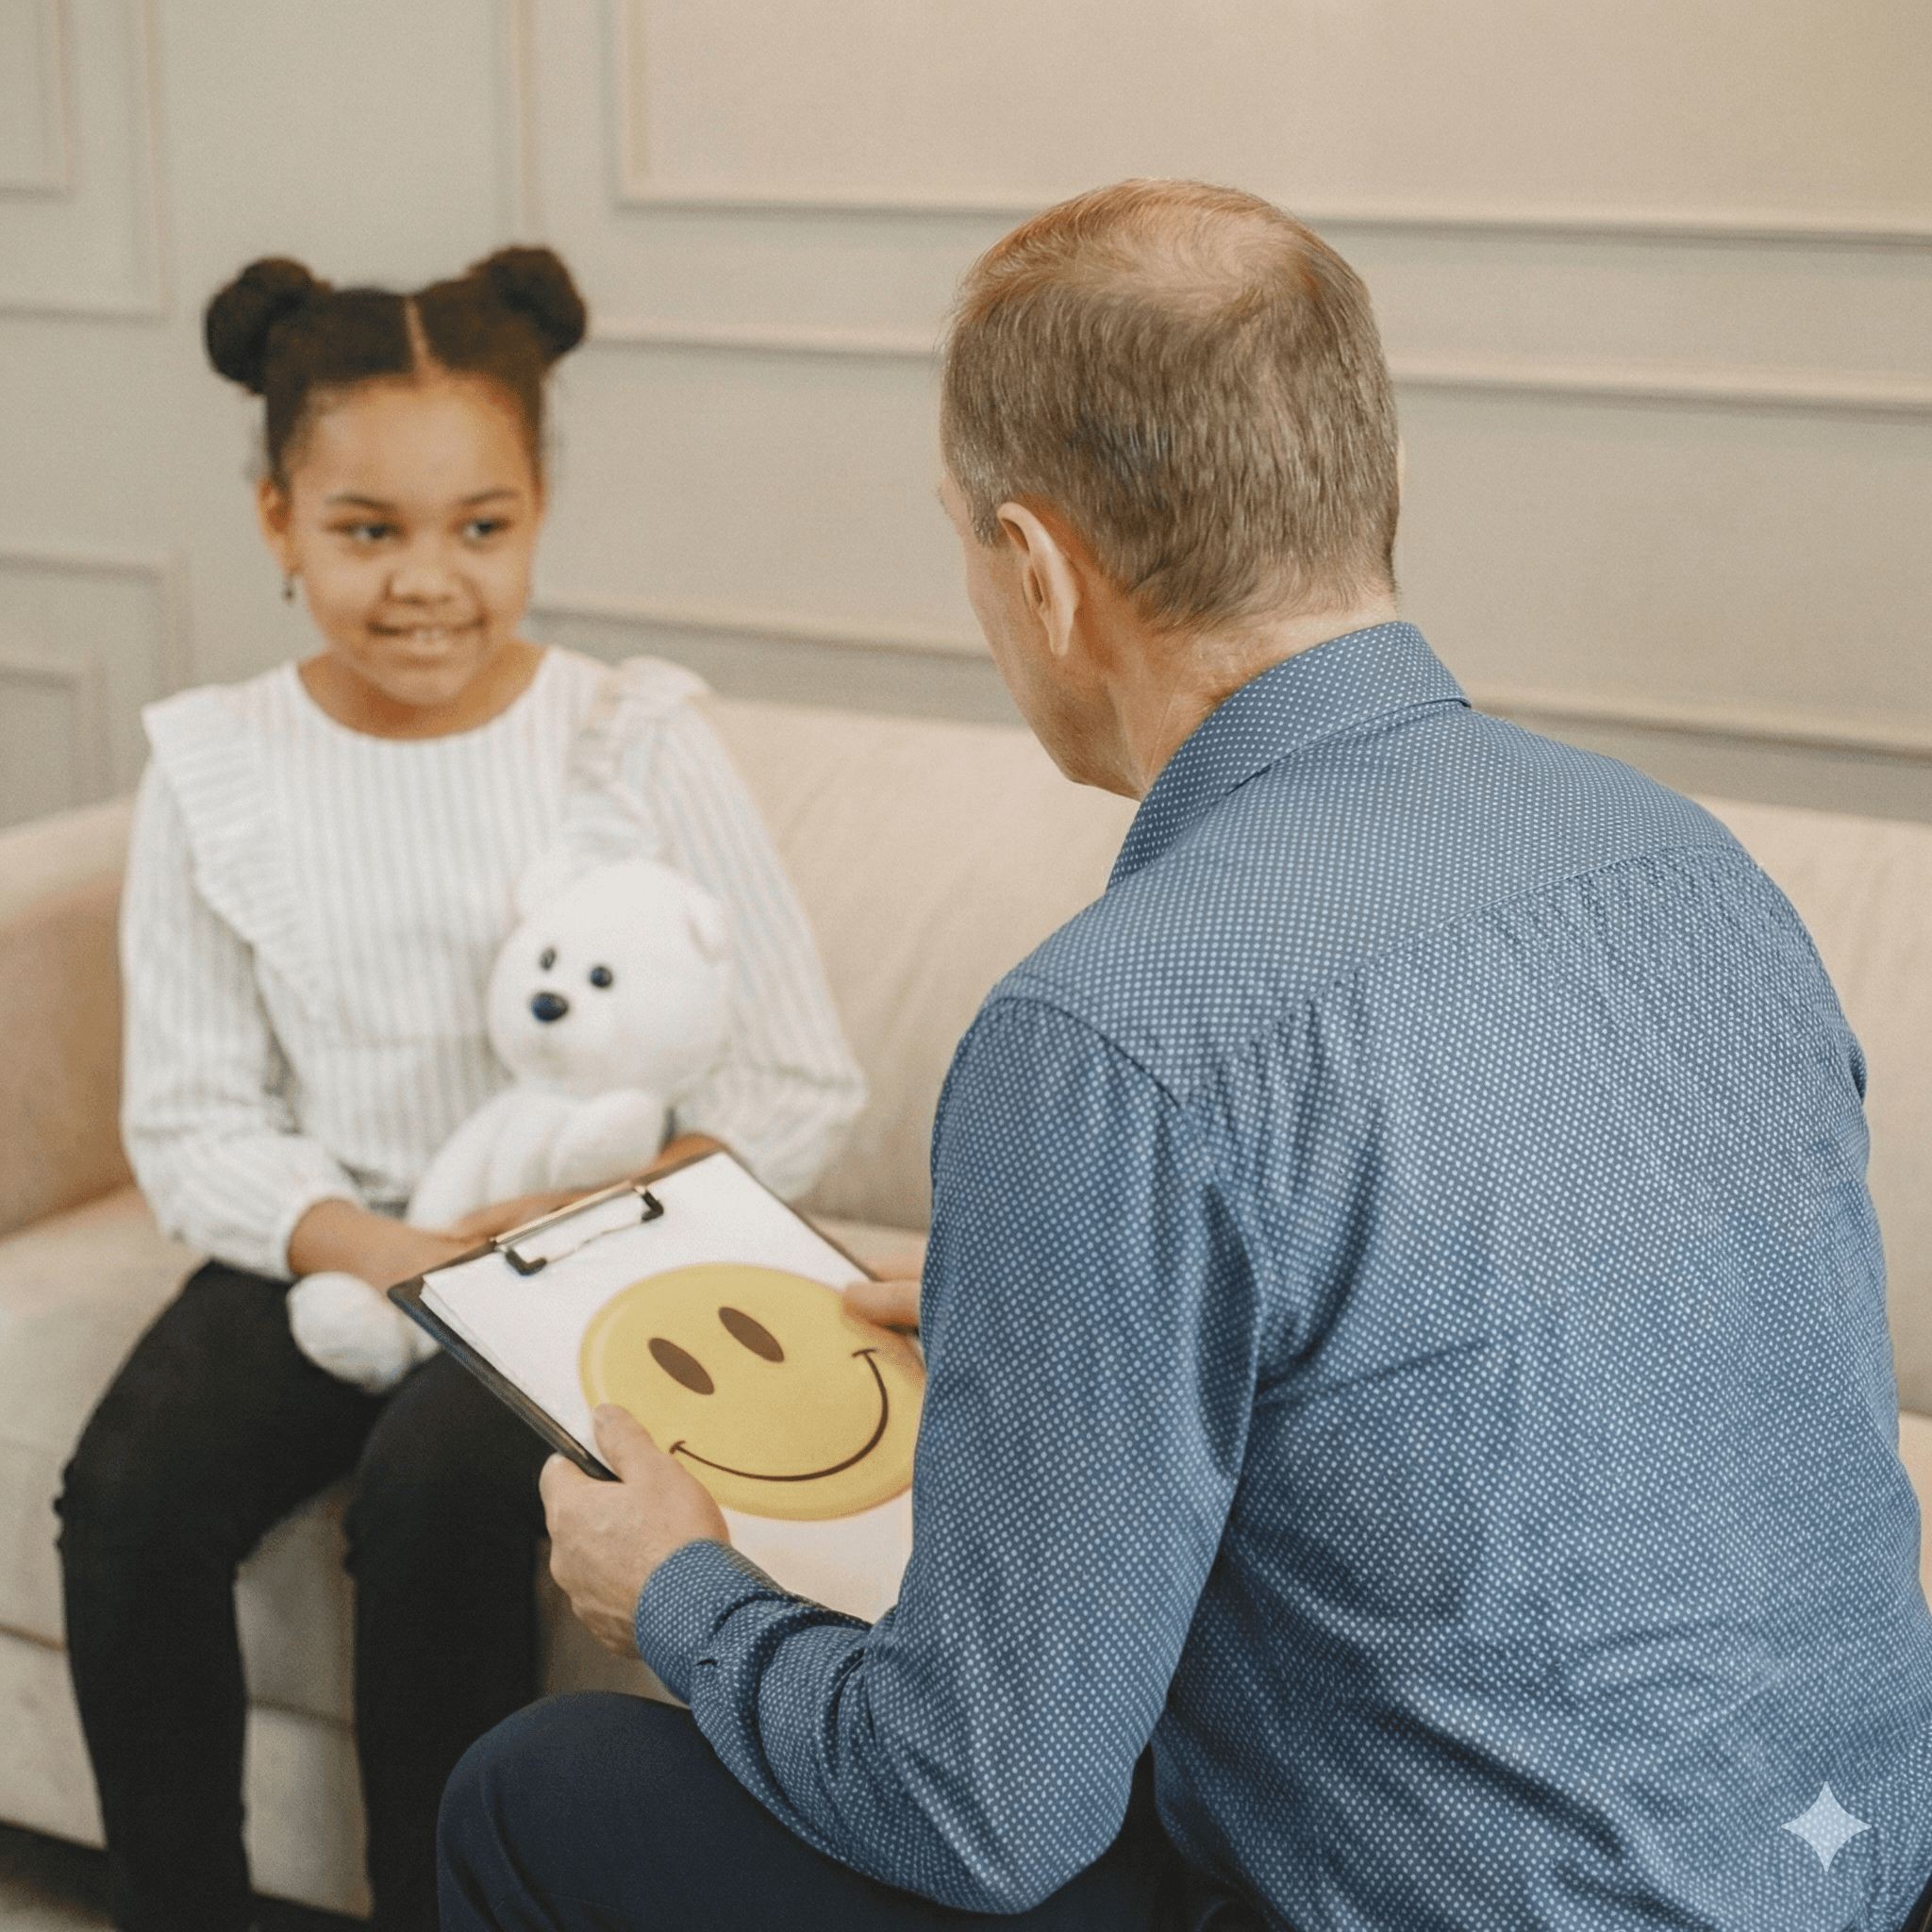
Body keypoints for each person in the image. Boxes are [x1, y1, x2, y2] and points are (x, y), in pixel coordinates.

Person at [437, 182, 1932, 1932]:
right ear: (1367, 485)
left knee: (532, 1790)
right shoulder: (1690, 864)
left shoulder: (1109, 1039)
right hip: (1864, 1878)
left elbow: (981, 1807)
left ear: (1043, 574)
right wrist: (1063, 1307)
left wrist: (676, 1592)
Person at [56, 244, 864, 1932]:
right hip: (345, 1229)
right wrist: (394, 1251)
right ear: (279, 519)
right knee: (128, 1495)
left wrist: (546, 1227)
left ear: (538, 510)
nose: (430, 581)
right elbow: (197, 1117)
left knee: (436, 1499)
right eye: (369, 532)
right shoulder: (216, 765)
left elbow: (794, 1074)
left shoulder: (631, 739)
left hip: (582, 1244)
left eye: (479, 528)